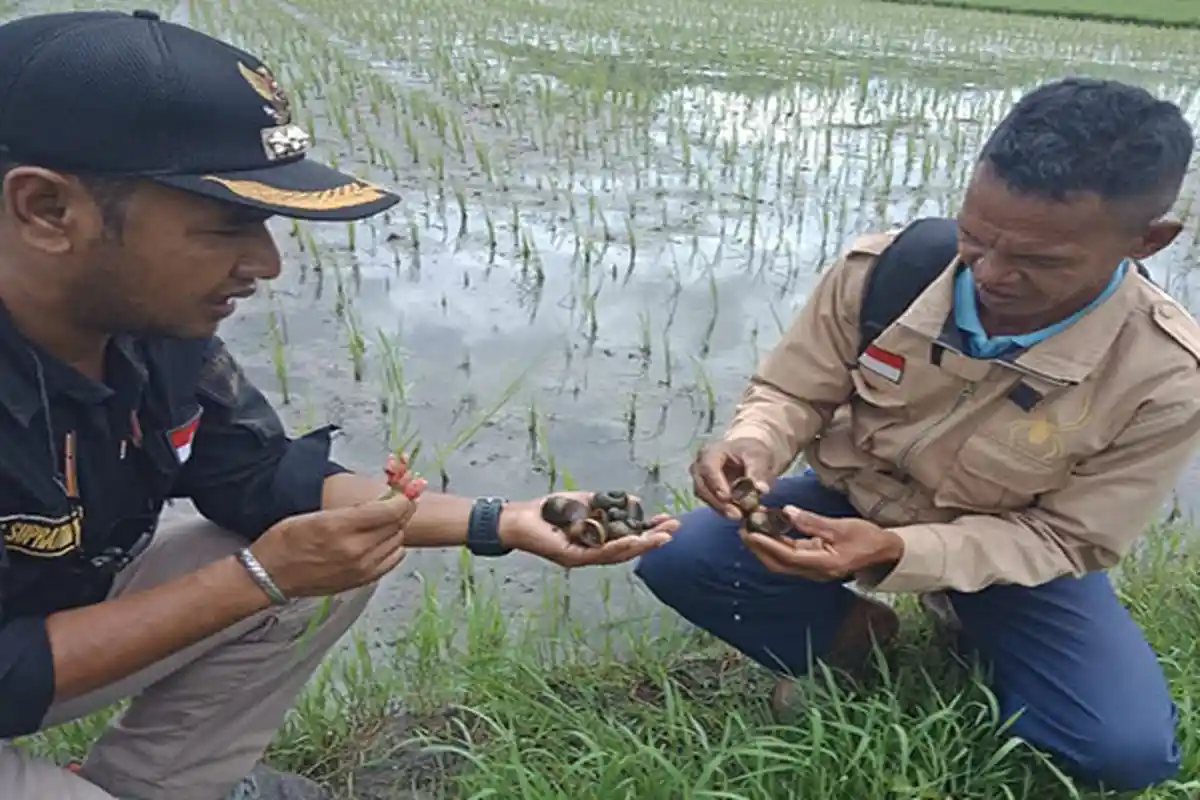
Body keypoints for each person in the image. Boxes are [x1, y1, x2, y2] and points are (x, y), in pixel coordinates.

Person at [0, 10, 677, 800]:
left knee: (327, 557)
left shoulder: (142, 333)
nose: (267, 262)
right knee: (282, 566)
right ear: (48, 210)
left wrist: (506, 520)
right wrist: (258, 578)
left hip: (40, 627)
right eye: (229, 224)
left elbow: (260, 477)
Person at [635, 76, 1200, 792]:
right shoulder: (889, 270)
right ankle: (852, 642)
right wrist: (753, 445)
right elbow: (790, 391)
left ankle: (974, 628)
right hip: (854, 504)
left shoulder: (1165, 373)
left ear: (1149, 239)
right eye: (976, 236)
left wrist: (903, 553)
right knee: (682, 556)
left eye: (1041, 261)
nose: (991, 273)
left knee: (1124, 754)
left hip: (1014, 553)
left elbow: (1069, 540)